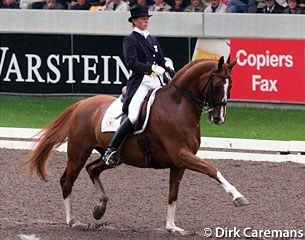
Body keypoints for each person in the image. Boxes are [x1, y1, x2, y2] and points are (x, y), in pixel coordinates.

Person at [102, 4, 174, 168]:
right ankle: (111, 150)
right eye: (142, 19)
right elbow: (132, 63)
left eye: (147, 18)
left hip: (156, 82)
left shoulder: (152, 39)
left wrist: (167, 66)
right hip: (141, 82)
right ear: (134, 21)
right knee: (134, 115)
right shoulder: (130, 39)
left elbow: (161, 60)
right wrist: (151, 68)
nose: (145, 21)